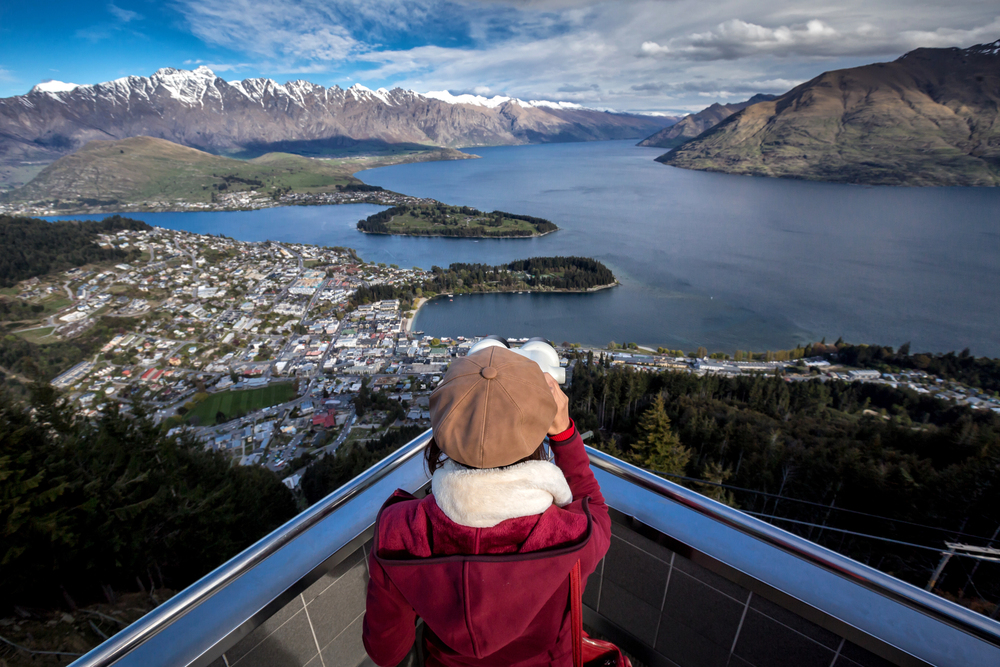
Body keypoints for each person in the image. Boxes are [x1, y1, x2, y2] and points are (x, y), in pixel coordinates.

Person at [363, 345, 611, 667]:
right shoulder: (569, 534)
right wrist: (565, 436)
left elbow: (386, 652)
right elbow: (597, 511)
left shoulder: (401, 531)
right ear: (538, 433)